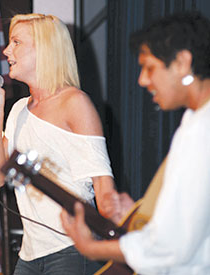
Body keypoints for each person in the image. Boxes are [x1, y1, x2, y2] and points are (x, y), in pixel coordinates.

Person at [60, 11, 210, 275]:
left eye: (150, 67)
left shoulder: (202, 130)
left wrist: (90, 248)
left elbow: (172, 248)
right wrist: (139, 213)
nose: (142, 80)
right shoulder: (194, 121)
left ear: (183, 63)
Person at [0, 13, 126, 275]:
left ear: (44, 50)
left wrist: (119, 250)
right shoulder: (19, 110)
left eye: (16, 42)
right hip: (29, 255)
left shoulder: (74, 103)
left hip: (72, 249)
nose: (7, 50)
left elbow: (102, 185)